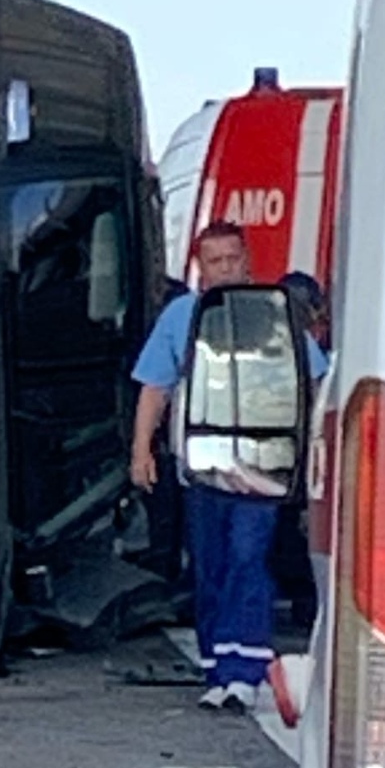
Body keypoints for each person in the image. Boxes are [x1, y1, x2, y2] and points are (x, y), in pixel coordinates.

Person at [130, 221, 299, 711]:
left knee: (248, 556)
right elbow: (155, 387)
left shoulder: (276, 314)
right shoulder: (182, 316)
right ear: (200, 268)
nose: (226, 268)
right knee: (212, 566)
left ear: (247, 259)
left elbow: (311, 380)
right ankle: (218, 667)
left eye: (233, 258)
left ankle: (244, 669)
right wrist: (142, 450)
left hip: (261, 465)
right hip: (202, 465)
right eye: (215, 260)